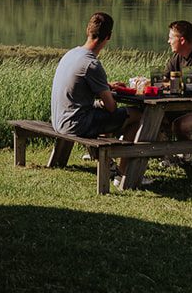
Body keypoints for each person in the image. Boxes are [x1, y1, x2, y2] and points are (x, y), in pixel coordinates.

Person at [51, 11, 143, 185]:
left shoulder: (71, 54)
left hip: (59, 121)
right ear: (109, 36)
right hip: (76, 124)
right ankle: (123, 174)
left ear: (88, 30)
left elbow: (80, 87)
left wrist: (105, 88)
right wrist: (107, 96)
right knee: (137, 115)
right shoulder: (92, 64)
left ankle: (110, 164)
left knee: (104, 114)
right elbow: (111, 108)